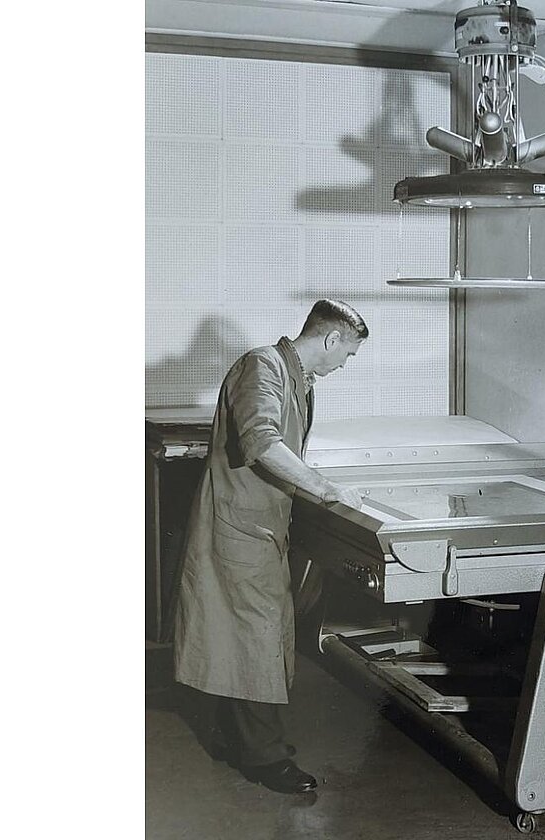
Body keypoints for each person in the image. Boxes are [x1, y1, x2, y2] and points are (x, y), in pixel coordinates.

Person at [173, 299, 368, 794]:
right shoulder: (263, 365)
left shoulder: (296, 378)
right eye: (347, 354)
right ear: (331, 339)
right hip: (240, 527)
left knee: (246, 635)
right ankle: (266, 758)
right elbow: (261, 442)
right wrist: (324, 487)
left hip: (258, 524)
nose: (345, 365)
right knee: (256, 640)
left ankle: (233, 739)